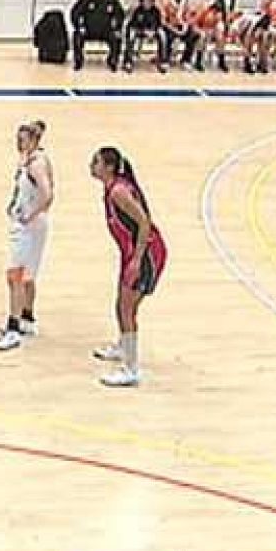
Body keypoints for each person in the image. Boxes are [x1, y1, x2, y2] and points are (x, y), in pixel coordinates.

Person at [90, 146, 166, 387]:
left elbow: (144, 222)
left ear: (109, 167)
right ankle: (124, 346)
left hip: (146, 254)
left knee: (127, 309)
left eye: (96, 162)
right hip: (132, 252)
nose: (92, 166)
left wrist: (136, 259)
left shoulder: (119, 193)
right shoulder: (111, 189)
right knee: (121, 304)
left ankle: (131, 369)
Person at [0, 121, 55, 352]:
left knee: (14, 276)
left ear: (34, 140)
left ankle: (13, 329)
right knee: (27, 276)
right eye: (17, 140)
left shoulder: (36, 165)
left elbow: (48, 194)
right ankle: (27, 318)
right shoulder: (35, 158)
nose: (18, 144)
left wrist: (30, 214)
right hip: (35, 226)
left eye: (23, 140)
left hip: (28, 227)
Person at [70, 0, 124, 71]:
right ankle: (78, 61)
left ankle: (112, 61)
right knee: (77, 36)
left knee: (116, 37)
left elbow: (120, 15)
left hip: (106, 31)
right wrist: (79, 26)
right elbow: (75, 12)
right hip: (88, 30)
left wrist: (117, 28)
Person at [121, 0, 163, 73]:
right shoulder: (137, 10)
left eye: (150, 1)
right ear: (142, 1)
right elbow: (133, 24)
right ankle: (128, 61)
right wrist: (144, 31)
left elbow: (158, 24)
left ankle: (162, 61)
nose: (148, 3)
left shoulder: (156, 11)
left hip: (152, 32)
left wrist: (153, 31)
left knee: (163, 35)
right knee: (131, 35)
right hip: (139, 31)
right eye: (146, 0)